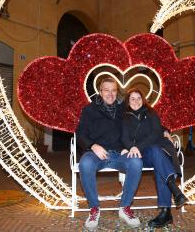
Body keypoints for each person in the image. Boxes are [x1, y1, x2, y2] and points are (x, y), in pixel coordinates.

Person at [76, 77, 143, 230]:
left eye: (114, 90)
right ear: (100, 92)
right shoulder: (90, 109)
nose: (110, 94)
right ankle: (94, 209)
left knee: (136, 162)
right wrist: (93, 146)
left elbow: (144, 115)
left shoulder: (123, 108)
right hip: (97, 153)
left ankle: (125, 207)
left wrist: (165, 130)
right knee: (85, 164)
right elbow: (81, 133)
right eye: (106, 90)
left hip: (120, 152)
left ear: (117, 92)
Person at [122, 88, 187, 228]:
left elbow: (156, 131)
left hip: (158, 149)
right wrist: (133, 147)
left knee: (158, 156)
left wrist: (138, 146)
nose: (136, 101)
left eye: (138, 98)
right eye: (132, 98)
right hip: (141, 155)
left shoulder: (150, 113)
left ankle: (165, 213)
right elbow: (124, 137)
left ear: (143, 99)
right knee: (158, 155)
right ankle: (175, 191)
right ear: (128, 101)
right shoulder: (124, 117)